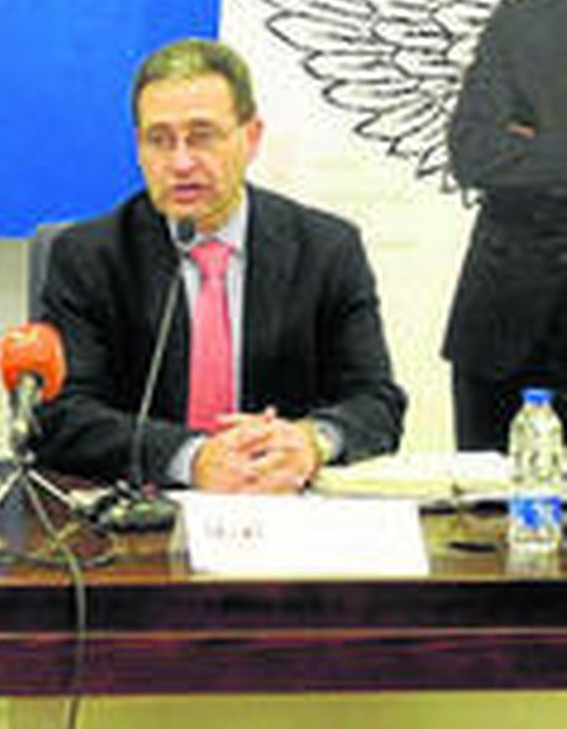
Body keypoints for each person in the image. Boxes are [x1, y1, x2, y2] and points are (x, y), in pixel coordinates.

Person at [36, 38, 405, 492]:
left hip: (284, 513)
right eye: (160, 140)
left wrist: (311, 442)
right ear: (138, 147)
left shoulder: (326, 249)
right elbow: (60, 417)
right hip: (138, 520)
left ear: (251, 137)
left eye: (202, 136)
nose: (182, 162)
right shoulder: (90, 256)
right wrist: (190, 458)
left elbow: (377, 403)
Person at [445, 0, 567, 450]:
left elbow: (506, 154)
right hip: (507, 334)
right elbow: (475, 152)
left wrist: (535, 147)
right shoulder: (523, 17)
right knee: (485, 515)